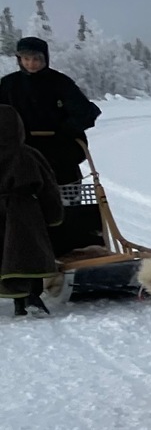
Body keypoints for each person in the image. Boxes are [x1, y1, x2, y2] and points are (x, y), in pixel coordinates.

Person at [0, 36, 100, 185]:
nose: (31, 64)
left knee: (64, 185)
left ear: (45, 59)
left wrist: (66, 130)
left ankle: (68, 203)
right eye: (26, 59)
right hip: (21, 146)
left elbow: (85, 112)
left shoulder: (61, 82)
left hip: (60, 146)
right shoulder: (9, 84)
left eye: (36, 59)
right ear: (19, 59)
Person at [0, 104, 63, 315]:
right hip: (24, 214)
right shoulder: (28, 155)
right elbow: (49, 188)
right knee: (26, 256)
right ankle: (28, 299)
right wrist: (54, 216)